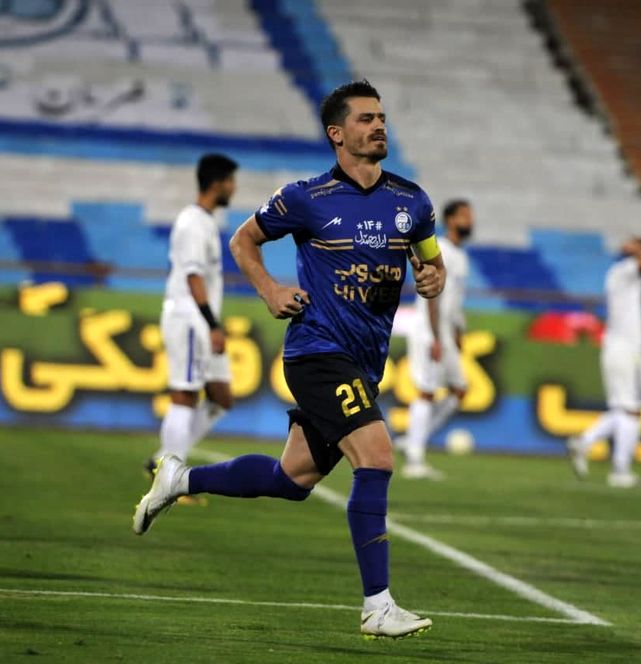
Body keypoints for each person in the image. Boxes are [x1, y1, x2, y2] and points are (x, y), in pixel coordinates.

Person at [133, 80, 446, 639]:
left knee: (293, 477)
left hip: (364, 361)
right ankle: (377, 606)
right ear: (337, 134)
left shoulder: (412, 202)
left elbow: (432, 262)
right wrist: (270, 289)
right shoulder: (306, 198)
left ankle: (180, 478)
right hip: (317, 353)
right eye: (366, 119)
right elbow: (243, 241)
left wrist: (432, 277)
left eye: (381, 117)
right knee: (376, 457)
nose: (379, 126)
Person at [145, 154, 238, 479]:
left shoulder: (205, 222)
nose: (234, 188)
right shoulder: (191, 223)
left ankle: (161, 459)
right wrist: (212, 324)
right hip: (189, 318)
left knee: (221, 397)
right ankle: (169, 476)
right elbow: (193, 277)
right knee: (184, 395)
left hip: (200, 320)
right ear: (217, 183)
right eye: (230, 181)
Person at [566, 237, 641, 488]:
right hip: (625, 349)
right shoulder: (624, 271)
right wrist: (639, 248)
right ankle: (620, 471)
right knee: (631, 410)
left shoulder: (631, 276)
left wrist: (640, 248)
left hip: (621, 348)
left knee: (624, 410)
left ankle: (584, 442)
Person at [400, 199, 473, 479]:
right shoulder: (439, 249)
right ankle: (414, 460)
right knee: (427, 391)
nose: (470, 221)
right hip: (428, 329)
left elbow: (454, 301)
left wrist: (458, 331)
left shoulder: (461, 256)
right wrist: (434, 336)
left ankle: (413, 440)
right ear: (450, 219)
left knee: (459, 390)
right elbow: (431, 294)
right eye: (464, 215)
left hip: (446, 330)